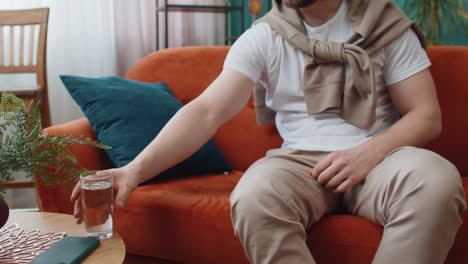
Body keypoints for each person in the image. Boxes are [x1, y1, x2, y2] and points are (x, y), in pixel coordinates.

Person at [71, 0, 466, 263]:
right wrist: (134, 170)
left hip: (380, 155)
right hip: (298, 163)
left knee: (436, 181)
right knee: (254, 195)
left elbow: (425, 115)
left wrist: (368, 154)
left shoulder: (386, 25)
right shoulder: (265, 36)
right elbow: (207, 110)